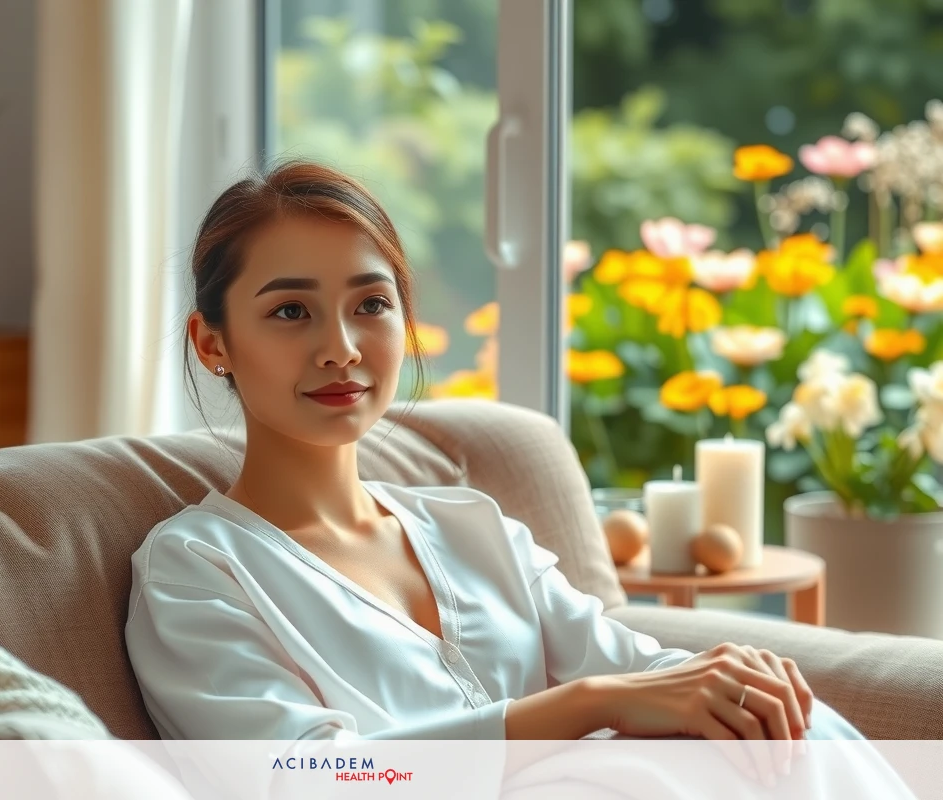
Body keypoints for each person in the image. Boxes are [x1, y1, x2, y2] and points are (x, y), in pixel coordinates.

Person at [124, 160, 903, 800]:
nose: (342, 348)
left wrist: (732, 675)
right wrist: (585, 704)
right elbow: (301, 778)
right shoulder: (197, 567)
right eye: (292, 312)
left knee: (793, 732)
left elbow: (634, 667)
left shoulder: (471, 526)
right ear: (212, 343)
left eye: (371, 305)